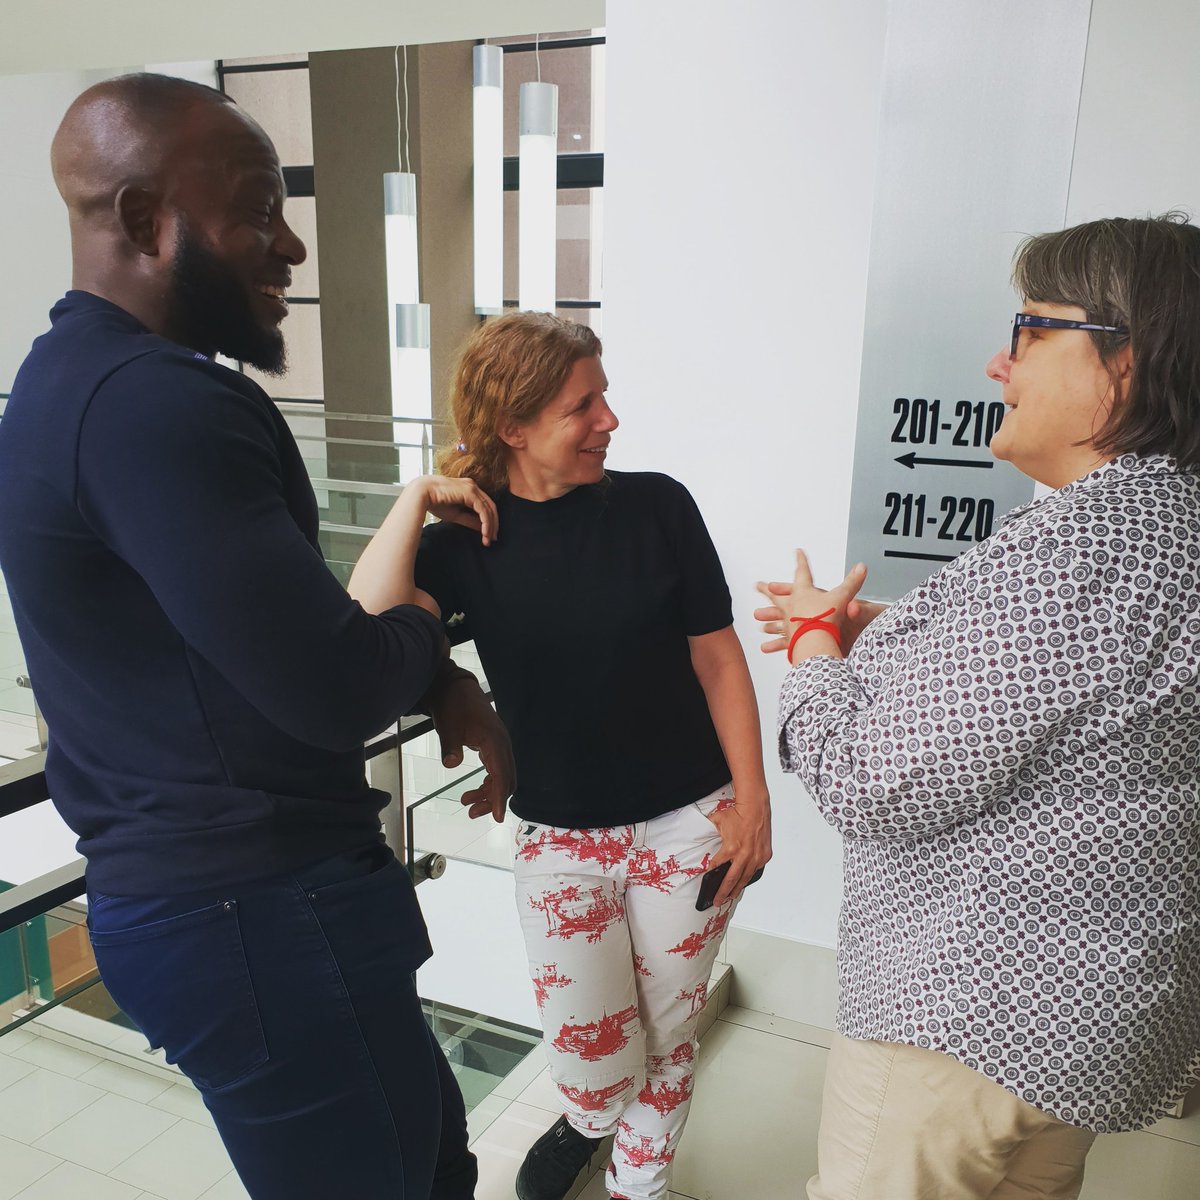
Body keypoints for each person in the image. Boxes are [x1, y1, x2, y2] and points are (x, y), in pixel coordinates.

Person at [0, 73, 515, 1200]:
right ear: (144, 221)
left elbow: (261, 650)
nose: (288, 246)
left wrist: (415, 669)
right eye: (256, 208)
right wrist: (427, 631)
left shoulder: (64, 382)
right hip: (256, 911)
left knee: (431, 1161)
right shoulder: (157, 403)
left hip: (227, 907)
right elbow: (337, 683)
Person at [755, 213, 1200, 1200]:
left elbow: (871, 780)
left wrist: (819, 643)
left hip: (970, 1020)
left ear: (1127, 362)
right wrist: (888, 629)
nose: (1000, 363)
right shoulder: (1173, 524)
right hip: (1092, 1019)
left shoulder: (1078, 554)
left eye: (1033, 329)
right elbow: (1083, 704)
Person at [346, 311, 773, 1200]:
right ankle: (586, 1119)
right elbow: (367, 625)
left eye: (604, 397)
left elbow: (718, 656)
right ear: (515, 425)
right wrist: (416, 499)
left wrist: (753, 800)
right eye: (586, 405)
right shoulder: (466, 543)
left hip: (690, 822)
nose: (610, 420)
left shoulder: (658, 505)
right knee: (597, 1062)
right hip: (560, 841)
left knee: (669, 1036)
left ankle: (634, 1188)